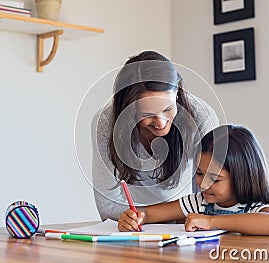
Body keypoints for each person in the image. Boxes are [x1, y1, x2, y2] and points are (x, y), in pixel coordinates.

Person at [92, 51, 219, 221]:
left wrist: (184, 215)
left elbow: (212, 193)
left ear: (177, 92)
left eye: (167, 109)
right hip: (133, 225)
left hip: (186, 223)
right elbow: (107, 205)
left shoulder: (202, 117)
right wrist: (133, 219)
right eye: (147, 114)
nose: (160, 123)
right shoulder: (107, 122)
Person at [118, 125, 269, 235]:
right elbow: (149, 213)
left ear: (242, 177)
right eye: (199, 173)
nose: (203, 184)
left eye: (215, 179)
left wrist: (211, 221)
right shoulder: (198, 203)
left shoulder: (254, 209)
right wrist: (136, 217)